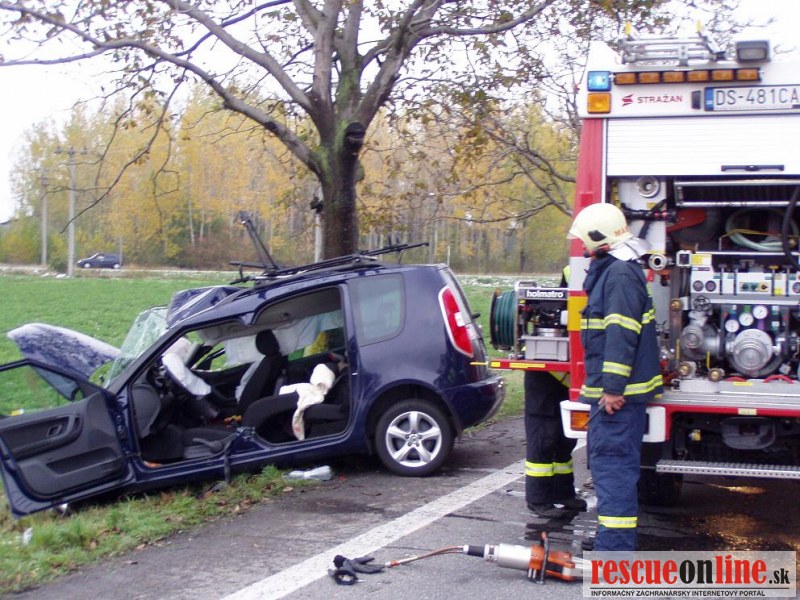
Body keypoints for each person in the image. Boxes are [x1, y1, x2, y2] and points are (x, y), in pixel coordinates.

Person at [567, 202, 663, 551]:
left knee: (613, 473)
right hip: (615, 395)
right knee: (609, 471)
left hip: (617, 399)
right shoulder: (615, 270)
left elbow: (620, 336)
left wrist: (611, 388)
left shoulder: (619, 275)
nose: (582, 246)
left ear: (600, 240)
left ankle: (614, 554)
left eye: (585, 240)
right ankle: (612, 543)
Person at [525, 266, 587, 518]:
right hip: (545, 380)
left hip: (565, 378)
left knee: (565, 441)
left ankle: (564, 493)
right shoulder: (575, 270)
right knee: (544, 439)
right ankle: (538, 499)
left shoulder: (581, 273)